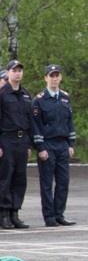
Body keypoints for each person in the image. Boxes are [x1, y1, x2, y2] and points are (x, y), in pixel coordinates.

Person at [0, 60, 34, 229]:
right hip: (6, 140)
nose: (18, 73)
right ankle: (3, 213)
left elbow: (30, 121)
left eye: (20, 70)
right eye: (14, 70)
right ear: (8, 73)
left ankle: (15, 212)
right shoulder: (0, 95)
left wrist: (29, 144)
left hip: (22, 141)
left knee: (20, 178)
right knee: (5, 178)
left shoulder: (26, 94)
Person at [32, 64, 76, 227]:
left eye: (57, 75)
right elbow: (35, 125)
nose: (55, 78)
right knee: (46, 183)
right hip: (48, 145)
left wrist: (70, 143)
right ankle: (49, 216)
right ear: (46, 78)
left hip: (62, 144)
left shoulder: (65, 97)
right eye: (52, 75)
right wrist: (41, 148)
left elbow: (69, 122)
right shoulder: (39, 100)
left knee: (63, 181)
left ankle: (59, 214)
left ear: (61, 77)